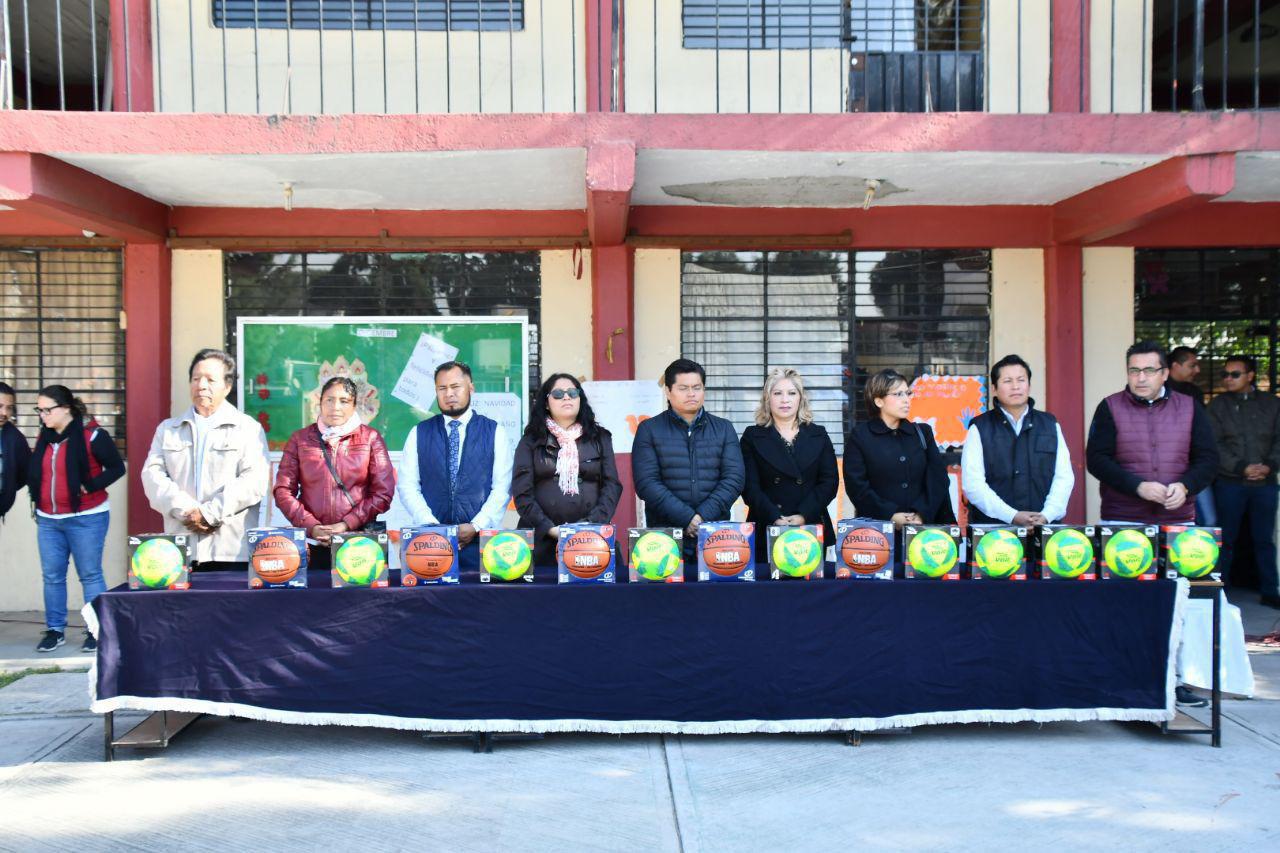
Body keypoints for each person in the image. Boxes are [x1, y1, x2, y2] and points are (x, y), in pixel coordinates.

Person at [141, 348, 271, 570]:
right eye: (195, 378)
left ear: (227, 386)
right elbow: (152, 477)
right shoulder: (168, 429)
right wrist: (187, 511)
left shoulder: (247, 428)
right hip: (179, 549)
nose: (201, 385)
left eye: (210, 380)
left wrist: (209, 514)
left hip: (229, 552)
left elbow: (254, 482)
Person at [26, 385, 124, 653]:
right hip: (48, 519)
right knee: (52, 576)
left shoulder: (92, 436)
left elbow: (116, 468)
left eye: (48, 410)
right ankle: (55, 630)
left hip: (86, 518)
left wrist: (90, 485)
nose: (43, 415)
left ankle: (96, 630)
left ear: (66, 408)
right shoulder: (44, 438)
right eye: (39, 410)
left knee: (90, 575)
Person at [1086, 341, 1217, 526]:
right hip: (1122, 517)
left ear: (1164, 374)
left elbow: (1208, 459)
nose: (1141, 378)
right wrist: (1137, 487)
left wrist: (1185, 486)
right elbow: (1096, 460)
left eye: (1149, 370)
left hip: (1177, 518)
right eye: (1134, 371)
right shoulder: (1110, 406)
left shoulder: (1189, 406)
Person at [397, 361, 512, 572]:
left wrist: (476, 526)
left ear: (471, 387)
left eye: (455, 387)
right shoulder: (419, 433)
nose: (449, 393)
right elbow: (407, 485)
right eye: (442, 388)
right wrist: (433, 527)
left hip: (480, 544)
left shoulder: (494, 432)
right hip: (429, 545)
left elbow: (502, 488)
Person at [273, 377, 397, 571]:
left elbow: (383, 492)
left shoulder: (371, 438)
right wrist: (312, 527)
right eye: (329, 400)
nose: (335, 407)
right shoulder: (300, 439)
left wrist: (346, 524)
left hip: (359, 544)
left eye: (344, 401)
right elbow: (283, 491)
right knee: (312, 600)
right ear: (320, 403)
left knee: (361, 600)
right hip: (312, 544)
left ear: (355, 405)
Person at [632, 358, 745, 569]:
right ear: (668, 391)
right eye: (683, 388)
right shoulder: (649, 429)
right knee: (666, 600)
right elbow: (646, 483)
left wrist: (702, 518)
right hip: (664, 539)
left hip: (715, 535)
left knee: (718, 598)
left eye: (697, 387)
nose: (691, 394)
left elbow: (734, 479)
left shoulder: (723, 429)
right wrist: (687, 518)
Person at [511, 374, 622, 567]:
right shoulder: (530, 441)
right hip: (542, 539)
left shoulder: (600, 438)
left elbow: (612, 486)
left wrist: (589, 525)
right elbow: (522, 494)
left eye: (572, 392)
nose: (566, 397)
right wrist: (550, 529)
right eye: (558, 394)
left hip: (591, 539)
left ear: (580, 399)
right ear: (546, 403)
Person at [961, 354, 1074, 526]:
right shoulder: (980, 427)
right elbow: (973, 484)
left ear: (1029, 384)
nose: (1015, 386)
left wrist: (1046, 515)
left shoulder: (1049, 424)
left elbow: (1064, 477)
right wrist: (1012, 516)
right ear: (994, 388)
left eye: (1021, 380)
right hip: (994, 530)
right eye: (1007, 381)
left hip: (1045, 527)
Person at [1208, 355, 1280, 608]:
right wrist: (1241, 467)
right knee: (1225, 539)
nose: (1228, 379)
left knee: (1264, 540)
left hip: (1266, 484)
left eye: (1234, 374)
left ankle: (1270, 591)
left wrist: (1269, 466)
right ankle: (1220, 591)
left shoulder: (1272, 404)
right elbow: (1213, 444)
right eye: (1225, 374)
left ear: (1250, 376)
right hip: (1230, 484)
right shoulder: (1218, 405)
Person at [739, 368, 838, 549]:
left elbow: (829, 482)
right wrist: (775, 517)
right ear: (768, 399)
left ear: (800, 398)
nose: (785, 400)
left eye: (791, 393)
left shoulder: (818, 434)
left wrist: (803, 515)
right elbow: (749, 486)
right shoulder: (752, 436)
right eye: (777, 393)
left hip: (810, 525)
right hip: (767, 525)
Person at [844, 369, 954, 526]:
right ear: (879, 401)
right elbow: (857, 486)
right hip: (879, 532)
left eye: (907, 393)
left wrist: (921, 513)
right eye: (898, 394)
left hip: (925, 530)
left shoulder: (923, 432)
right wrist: (890, 515)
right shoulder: (861, 436)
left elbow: (938, 478)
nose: (906, 400)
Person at [1167, 345, 1218, 526]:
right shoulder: (1160, 390)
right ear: (1175, 366)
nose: (1197, 370)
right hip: (1168, 467)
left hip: (1195, 465)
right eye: (1192, 365)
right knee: (1172, 524)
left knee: (1208, 521)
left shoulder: (1194, 392)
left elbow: (1202, 431)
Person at [0, 381, 31, 523]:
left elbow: (24, 474)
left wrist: (7, 488)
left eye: (9, 408)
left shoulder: (16, 438)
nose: (4, 413)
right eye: (0, 406)